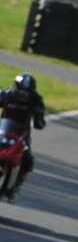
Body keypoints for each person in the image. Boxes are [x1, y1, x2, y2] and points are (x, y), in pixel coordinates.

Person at [0, 74, 46, 202]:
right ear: (15, 86)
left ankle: (14, 188)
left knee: (27, 161)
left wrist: (38, 115)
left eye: (25, 93)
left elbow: (40, 124)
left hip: (22, 136)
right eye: (20, 91)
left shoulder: (36, 100)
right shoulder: (5, 94)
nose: (22, 95)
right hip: (2, 132)